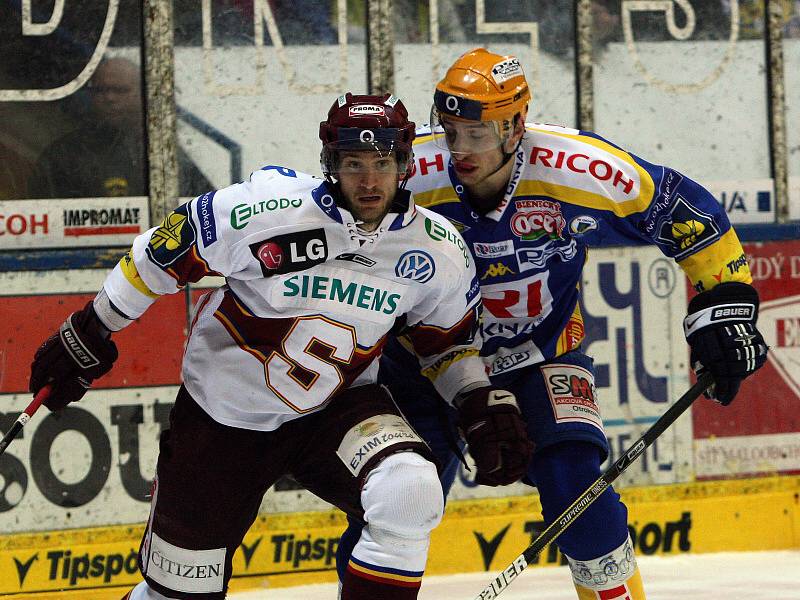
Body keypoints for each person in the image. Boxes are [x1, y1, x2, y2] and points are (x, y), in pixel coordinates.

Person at [27, 92, 533, 600]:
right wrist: (94, 326)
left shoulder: (436, 250)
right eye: (353, 164)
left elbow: (443, 346)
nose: (369, 180)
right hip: (223, 417)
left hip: (336, 408)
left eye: (382, 163)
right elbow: (163, 252)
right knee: (175, 594)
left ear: (405, 163)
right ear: (329, 162)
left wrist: (476, 398)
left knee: (410, 488)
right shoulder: (267, 210)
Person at [337, 48, 768, 599]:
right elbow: (322, 230)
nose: (460, 150)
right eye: (451, 131)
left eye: (479, 133)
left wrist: (725, 304)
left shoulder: (578, 167)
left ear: (516, 126)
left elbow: (686, 210)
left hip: (540, 354)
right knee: (392, 503)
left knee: (576, 487)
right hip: (417, 362)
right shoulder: (405, 172)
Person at [27, 57, 211, 199]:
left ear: (143, 93)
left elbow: (206, 205)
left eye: (120, 90)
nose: (109, 98)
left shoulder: (168, 150)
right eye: (100, 91)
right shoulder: (65, 154)